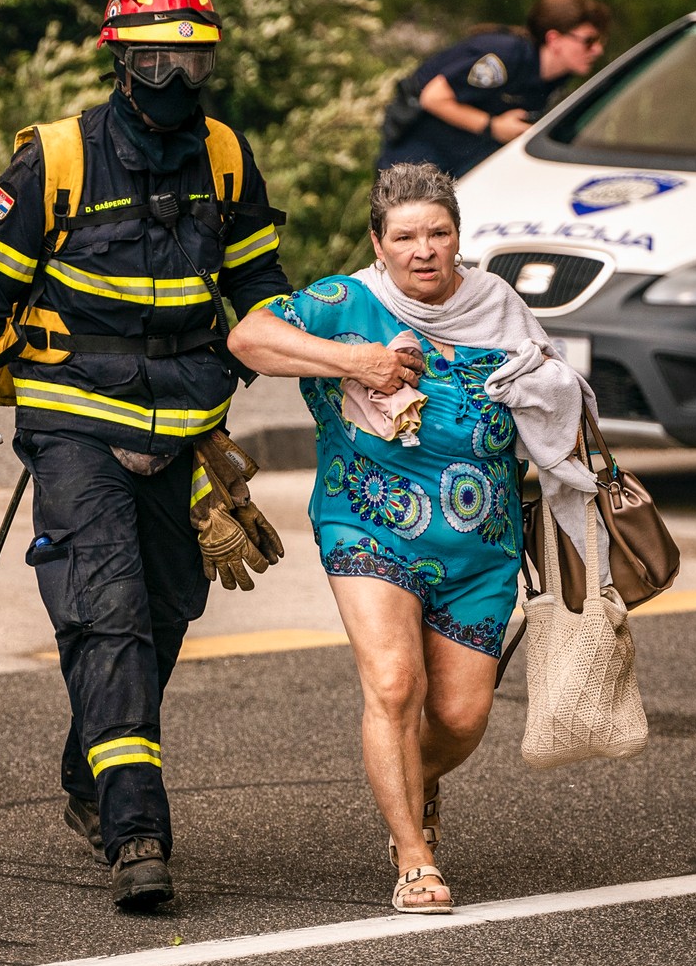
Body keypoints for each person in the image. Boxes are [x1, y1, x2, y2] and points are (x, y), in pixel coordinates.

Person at [0, 0, 292, 911]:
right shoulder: (58, 157)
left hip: (185, 421)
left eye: (193, 61)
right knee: (107, 615)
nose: (175, 79)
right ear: (120, 59)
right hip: (75, 415)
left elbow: (259, 287)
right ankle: (137, 832)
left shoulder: (226, 157)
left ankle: (93, 768)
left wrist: (319, 365)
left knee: (169, 612)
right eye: (156, 59)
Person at [227, 162, 597, 914]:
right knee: (394, 685)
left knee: (461, 718)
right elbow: (250, 337)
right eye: (405, 236)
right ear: (378, 241)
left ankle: (408, 778)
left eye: (439, 232)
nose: (424, 249)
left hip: (481, 546)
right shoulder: (345, 302)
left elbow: (556, 401)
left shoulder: (497, 306)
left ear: (458, 237)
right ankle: (413, 853)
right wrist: (355, 360)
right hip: (369, 524)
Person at [376, 0, 612, 177]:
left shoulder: (557, 77)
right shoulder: (504, 57)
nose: (598, 49)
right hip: (416, 157)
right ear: (554, 39)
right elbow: (433, 98)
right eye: (589, 41)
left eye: (600, 40)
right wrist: (493, 127)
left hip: (462, 163)